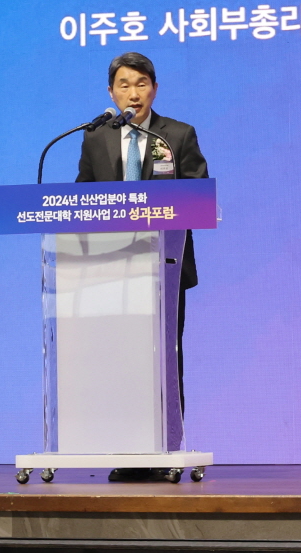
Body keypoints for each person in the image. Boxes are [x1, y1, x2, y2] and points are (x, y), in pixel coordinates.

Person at [76, 51, 208, 482]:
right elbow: (82, 200)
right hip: (112, 269)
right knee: (119, 360)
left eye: (141, 84)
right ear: (111, 92)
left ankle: (168, 453)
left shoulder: (178, 136)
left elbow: (198, 197)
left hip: (164, 267)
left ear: (154, 87)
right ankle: (130, 453)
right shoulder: (95, 138)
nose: (133, 93)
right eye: (124, 85)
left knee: (164, 360)